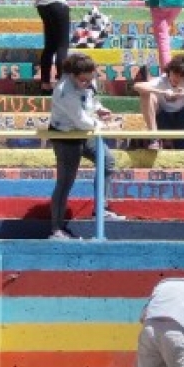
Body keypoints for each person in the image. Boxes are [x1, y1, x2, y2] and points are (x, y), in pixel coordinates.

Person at [46, 52, 123, 240]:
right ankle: (56, 229)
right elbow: (82, 121)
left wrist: (98, 108)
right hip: (66, 135)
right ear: (72, 75)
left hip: (85, 134)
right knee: (65, 182)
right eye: (83, 80)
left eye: (91, 79)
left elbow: (90, 98)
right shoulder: (64, 91)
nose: (88, 83)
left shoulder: (87, 79)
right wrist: (106, 125)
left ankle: (100, 208)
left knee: (107, 162)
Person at [134, 53, 184, 151]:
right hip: (163, 119)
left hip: (183, 119)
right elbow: (137, 86)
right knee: (146, 94)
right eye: (174, 74)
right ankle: (154, 138)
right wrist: (162, 92)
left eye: (180, 76)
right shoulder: (161, 80)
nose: (176, 78)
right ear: (169, 72)